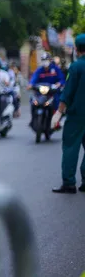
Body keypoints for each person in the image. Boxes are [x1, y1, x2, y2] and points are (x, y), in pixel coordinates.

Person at [50, 34, 85, 194]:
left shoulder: (76, 67)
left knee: (71, 147)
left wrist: (58, 113)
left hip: (77, 115)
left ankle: (69, 183)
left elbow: (68, 92)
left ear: (77, 49)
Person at [28, 52, 65, 126]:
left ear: (50, 60)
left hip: (52, 92)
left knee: (57, 101)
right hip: (41, 93)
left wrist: (59, 84)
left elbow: (61, 79)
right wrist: (30, 85)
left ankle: (56, 120)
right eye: (43, 60)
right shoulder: (39, 70)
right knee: (33, 102)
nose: (45, 61)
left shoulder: (55, 69)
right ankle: (33, 119)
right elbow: (34, 79)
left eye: (47, 60)